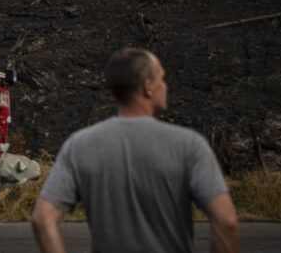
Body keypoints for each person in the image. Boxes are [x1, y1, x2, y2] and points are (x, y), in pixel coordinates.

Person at [31, 48, 240, 253]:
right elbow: (226, 221)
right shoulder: (189, 145)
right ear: (148, 87)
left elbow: (42, 218)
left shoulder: (78, 146)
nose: (165, 86)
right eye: (162, 78)